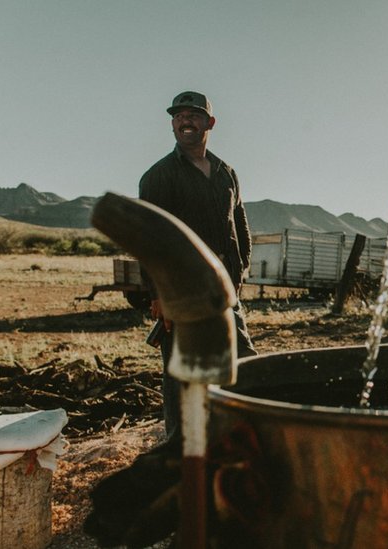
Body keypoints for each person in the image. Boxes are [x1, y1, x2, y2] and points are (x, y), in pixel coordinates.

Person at [139, 91, 258, 437]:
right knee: (181, 374)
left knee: (244, 360)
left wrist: (240, 271)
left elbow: (240, 224)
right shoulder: (158, 176)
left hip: (224, 292)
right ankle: (178, 449)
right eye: (178, 117)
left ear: (210, 123)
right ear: (173, 124)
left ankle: (238, 435)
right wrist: (159, 294)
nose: (185, 122)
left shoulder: (226, 173)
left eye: (193, 115)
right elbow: (150, 239)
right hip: (181, 292)